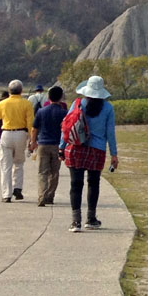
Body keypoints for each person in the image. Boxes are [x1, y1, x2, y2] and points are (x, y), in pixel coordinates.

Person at [62, 75, 118, 232]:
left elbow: (67, 126)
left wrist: (62, 146)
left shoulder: (77, 103)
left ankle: (75, 222)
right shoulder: (108, 108)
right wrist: (114, 154)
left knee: (76, 184)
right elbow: (110, 133)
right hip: (97, 150)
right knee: (93, 183)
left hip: (76, 148)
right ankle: (91, 218)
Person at [0, 79, 34, 202]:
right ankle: (18, 188)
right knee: (19, 162)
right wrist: (31, 139)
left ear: (9, 90)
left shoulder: (3, 103)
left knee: (6, 165)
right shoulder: (26, 103)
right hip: (21, 133)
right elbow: (30, 122)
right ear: (21, 90)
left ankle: (6, 194)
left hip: (6, 133)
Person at [32, 85, 66, 207]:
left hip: (43, 144)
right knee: (54, 172)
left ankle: (41, 196)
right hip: (57, 145)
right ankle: (50, 196)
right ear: (61, 97)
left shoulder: (41, 111)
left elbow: (34, 129)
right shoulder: (64, 113)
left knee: (42, 172)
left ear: (49, 97)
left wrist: (33, 142)